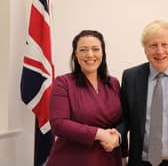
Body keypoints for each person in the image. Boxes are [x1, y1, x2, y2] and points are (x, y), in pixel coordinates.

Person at [46, 30, 127, 166]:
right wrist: (100, 133)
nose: (90, 54)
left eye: (95, 49)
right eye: (83, 50)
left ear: (102, 53)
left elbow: (122, 120)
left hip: (110, 157)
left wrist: (123, 152)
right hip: (73, 159)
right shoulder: (63, 82)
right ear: (75, 54)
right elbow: (58, 124)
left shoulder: (113, 83)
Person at [120, 20, 168, 166]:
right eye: (153, 45)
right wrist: (121, 152)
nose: (159, 51)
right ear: (145, 50)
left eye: (165, 44)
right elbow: (124, 118)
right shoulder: (131, 77)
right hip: (140, 162)